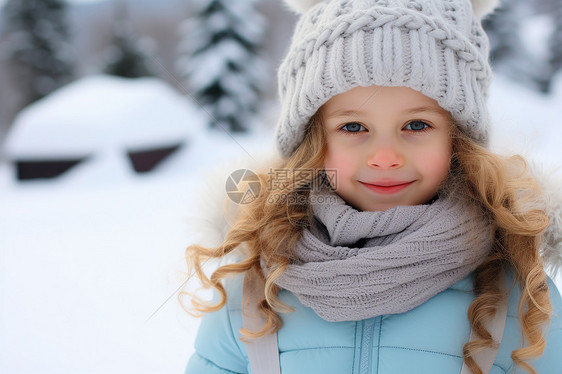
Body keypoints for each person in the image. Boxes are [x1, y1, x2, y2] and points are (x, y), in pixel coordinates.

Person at [182, 0, 562, 373]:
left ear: (457, 141)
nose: (384, 157)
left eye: (416, 126)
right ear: (312, 143)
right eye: (353, 127)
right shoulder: (252, 290)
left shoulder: (522, 298)